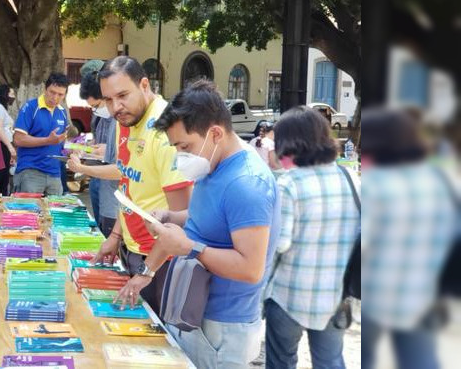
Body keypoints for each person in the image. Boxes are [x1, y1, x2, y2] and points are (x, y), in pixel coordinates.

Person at [138, 79, 280, 368]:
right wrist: (172, 217)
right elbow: (209, 218)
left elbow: (251, 268)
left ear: (215, 133)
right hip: (194, 313)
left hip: (222, 327)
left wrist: (189, 247)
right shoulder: (212, 164)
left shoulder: (246, 183)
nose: (180, 156)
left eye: (184, 146)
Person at [90, 56, 192, 315]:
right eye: (109, 100)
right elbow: (129, 186)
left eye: (123, 95)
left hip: (162, 263)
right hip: (133, 251)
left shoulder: (165, 132)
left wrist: (149, 270)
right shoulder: (125, 120)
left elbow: (182, 218)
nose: (116, 107)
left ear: (144, 85)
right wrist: (115, 236)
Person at [261, 106, 360, 369]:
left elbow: (278, 245)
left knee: (281, 361)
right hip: (334, 295)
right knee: (329, 362)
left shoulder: (289, 183)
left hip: (288, 296)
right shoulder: (349, 177)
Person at [359, 108, 456, 369]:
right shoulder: (438, 181)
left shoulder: (375, 184)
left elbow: (361, 244)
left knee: (365, 358)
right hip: (422, 294)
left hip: (375, 295)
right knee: (421, 361)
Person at [67, 66, 118, 237]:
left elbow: (120, 169)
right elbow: (99, 141)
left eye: (96, 105)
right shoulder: (100, 114)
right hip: (100, 183)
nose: (95, 110)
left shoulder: (122, 119)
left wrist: (81, 168)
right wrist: (89, 149)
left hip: (115, 196)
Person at [12, 73, 70, 195]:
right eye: (52, 92)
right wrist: (47, 141)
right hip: (31, 171)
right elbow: (18, 139)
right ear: (45, 89)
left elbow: (60, 143)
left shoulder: (62, 112)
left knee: (55, 213)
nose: (55, 97)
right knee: (28, 213)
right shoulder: (30, 107)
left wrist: (72, 150)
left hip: (55, 173)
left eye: (60, 94)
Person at [0, 84, 17, 195]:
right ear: (4, 94)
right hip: (2, 146)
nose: (13, 97)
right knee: (0, 177)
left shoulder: (2, 108)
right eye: (11, 94)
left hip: (4, 146)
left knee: (4, 176)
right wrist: (10, 147)